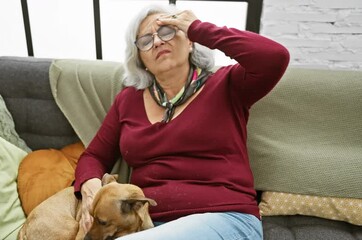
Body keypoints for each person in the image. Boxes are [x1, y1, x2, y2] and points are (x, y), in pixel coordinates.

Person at [74, 4, 289, 240]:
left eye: (167, 31)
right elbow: (93, 156)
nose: (156, 42)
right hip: (148, 226)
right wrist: (89, 185)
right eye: (145, 40)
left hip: (226, 217)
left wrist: (200, 28)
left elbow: (274, 57)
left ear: (189, 42)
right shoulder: (128, 100)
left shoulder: (227, 84)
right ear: (141, 59)